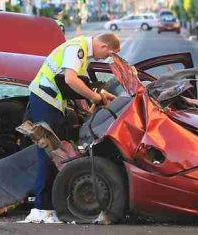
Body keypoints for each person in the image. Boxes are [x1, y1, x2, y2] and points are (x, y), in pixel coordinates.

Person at [23, 33, 121, 223]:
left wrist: (100, 93)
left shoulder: (81, 50)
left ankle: (46, 206)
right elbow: (70, 80)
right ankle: (41, 209)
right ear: (103, 47)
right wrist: (95, 99)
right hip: (45, 100)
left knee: (53, 151)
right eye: (109, 55)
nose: (106, 59)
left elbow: (78, 84)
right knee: (49, 152)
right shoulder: (77, 49)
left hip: (48, 101)